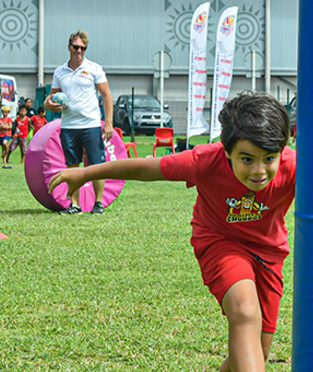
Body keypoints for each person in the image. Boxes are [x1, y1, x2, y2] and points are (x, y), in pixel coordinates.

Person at [48, 91, 295, 372]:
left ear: (282, 150)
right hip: (220, 242)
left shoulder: (297, 167)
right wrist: (84, 174)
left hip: (269, 253)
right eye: (247, 159)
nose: (259, 171)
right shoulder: (205, 161)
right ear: (227, 150)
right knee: (245, 310)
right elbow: (145, 168)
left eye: (269, 158)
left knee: (255, 353)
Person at [44, 29, 114, 215]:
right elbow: (51, 98)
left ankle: (98, 203)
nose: (79, 51)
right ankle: (74, 205)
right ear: (69, 47)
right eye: (76, 47)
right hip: (68, 126)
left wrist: (108, 123)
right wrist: (49, 105)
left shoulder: (94, 68)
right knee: (72, 166)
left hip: (91, 124)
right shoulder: (60, 71)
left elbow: (107, 96)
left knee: (96, 165)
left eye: (83, 48)